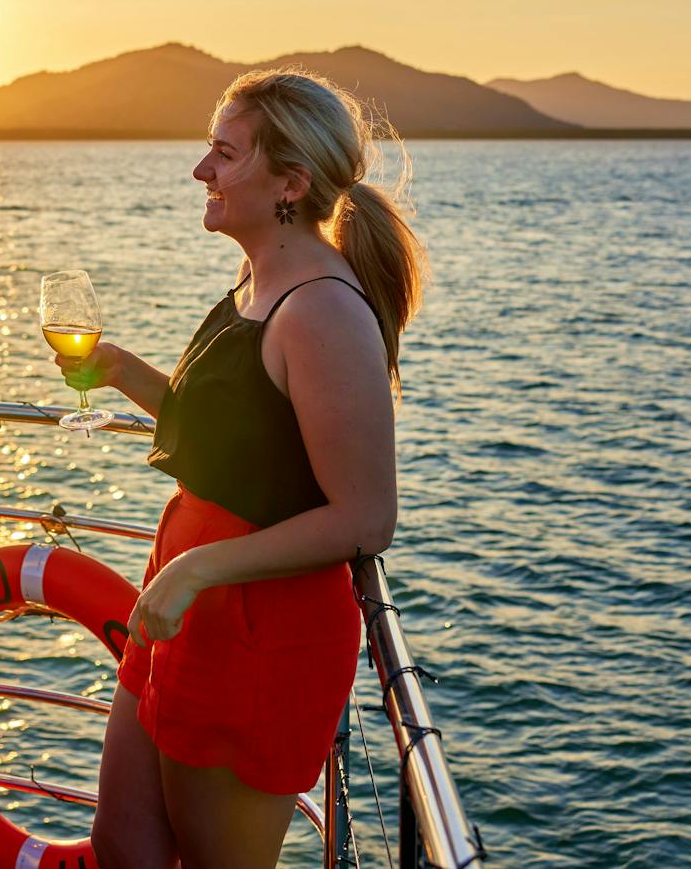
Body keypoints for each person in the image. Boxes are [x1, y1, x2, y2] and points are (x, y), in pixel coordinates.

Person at [63, 68, 425, 869]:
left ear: (290, 182)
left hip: (257, 628)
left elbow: (367, 517)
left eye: (224, 155)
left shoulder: (324, 311)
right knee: (124, 846)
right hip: (188, 599)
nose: (202, 172)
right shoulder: (258, 281)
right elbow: (237, 445)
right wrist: (123, 371)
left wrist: (199, 569)